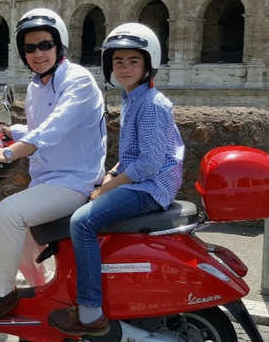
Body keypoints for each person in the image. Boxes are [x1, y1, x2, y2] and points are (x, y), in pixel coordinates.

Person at [0, 8, 107, 325]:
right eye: (29, 48)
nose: (38, 53)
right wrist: (8, 133)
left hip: (75, 182)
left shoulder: (79, 81)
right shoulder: (36, 87)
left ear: (59, 45)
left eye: (45, 45)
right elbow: (38, 130)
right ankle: (48, 305)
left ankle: (0, 296)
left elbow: (53, 129)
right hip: (46, 182)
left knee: (8, 212)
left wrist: (7, 154)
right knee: (27, 257)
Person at [48, 23, 185, 336]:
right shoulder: (134, 98)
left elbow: (149, 164)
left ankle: (90, 312)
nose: (124, 68)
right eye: (118, 62)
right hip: (141, 181)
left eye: (133, 61)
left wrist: (110, 184)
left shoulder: (150, 104)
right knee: (85, 202)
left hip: (152, 187)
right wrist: (109, 177)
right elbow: (132, 155)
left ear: (148, 64)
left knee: (81, 222)